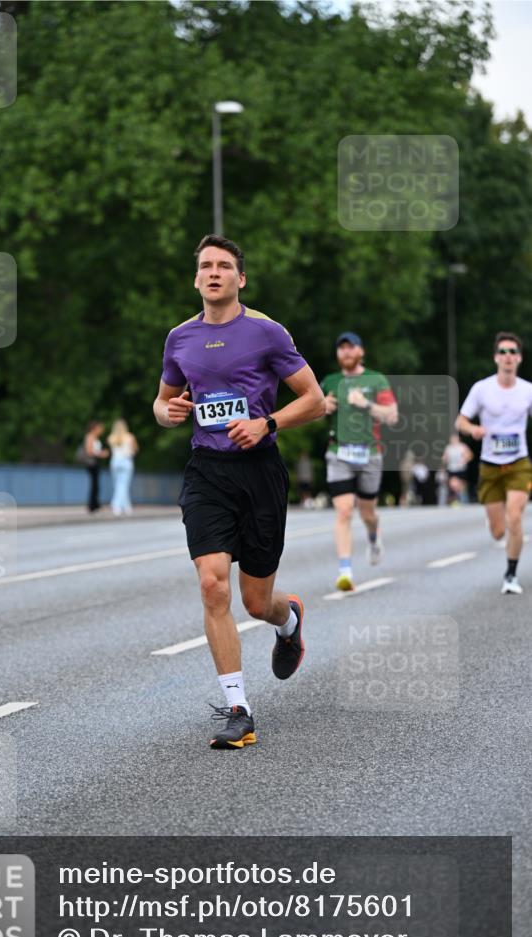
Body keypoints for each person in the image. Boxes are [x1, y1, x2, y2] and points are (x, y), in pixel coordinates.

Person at [153, 234, 325, 749]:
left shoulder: (267, 333)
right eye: (205, 266)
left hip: (260, 472)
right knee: (212, 585)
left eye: (223, 266)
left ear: (240, 278)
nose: (213, 273)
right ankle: (238, 709)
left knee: (254, 601)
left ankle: (287, 618)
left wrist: (267, 424)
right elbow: (161, 405)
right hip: (207, 471)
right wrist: (170, 412)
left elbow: (314, 400)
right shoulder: (179, 338)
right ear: (196, 278)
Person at [456, 332, 532, 595]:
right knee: (499, 531)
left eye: (512, 352)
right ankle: (495, 524)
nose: (508, 356)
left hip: (519, 463)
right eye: (503, 352)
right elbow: (460, 421)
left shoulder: (527, 390)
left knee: (515, 516)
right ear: (495, 357)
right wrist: (473, 429)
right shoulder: (482, 389)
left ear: (519, 358)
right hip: (489, 464)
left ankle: (510, 574)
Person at [321, 332, 398, 591]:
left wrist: (366, 403)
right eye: (341, 348)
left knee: (367, 512)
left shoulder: (375, 380)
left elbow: (392, 416)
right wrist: (321, 407)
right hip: (339, 453)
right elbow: (309, 411)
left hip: (369, 454)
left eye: (350, 347)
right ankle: (345, 571)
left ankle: (374, 537)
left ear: (361, 351)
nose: (346, 352)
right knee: (344, 511)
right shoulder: (330, 381)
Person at [107, 419, 138, 515]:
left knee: (119, 485)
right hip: (126, 462)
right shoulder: (130, 437)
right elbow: (135, 450)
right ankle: (116, 505)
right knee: (123, 485)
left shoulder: (111, 438)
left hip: (115, 462)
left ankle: (126, 507)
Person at [83, 420, 109, 513]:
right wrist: (102, 454)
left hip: (95, 463)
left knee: (96, 484)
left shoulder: (95, 437)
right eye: (100, 428)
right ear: (95, 428)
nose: (101, 430)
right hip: (91, 463)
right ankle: (92, 505)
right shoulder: (90, 437)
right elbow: (89, 451)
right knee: (94, 485)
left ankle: (95, 504)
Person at [442, 433, 473, 505]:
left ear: (458, 439)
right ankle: (455, 500)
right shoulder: (448, 448)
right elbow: (445, 458)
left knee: (462, 486)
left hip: (461, 469)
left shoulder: (462, 447)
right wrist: (445, 459)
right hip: (452, 469)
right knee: (453, 485)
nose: (453, 440)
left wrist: (464, 460)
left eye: (455, 438)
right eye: (452, 439)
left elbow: (470, 455)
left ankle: (464, 502)